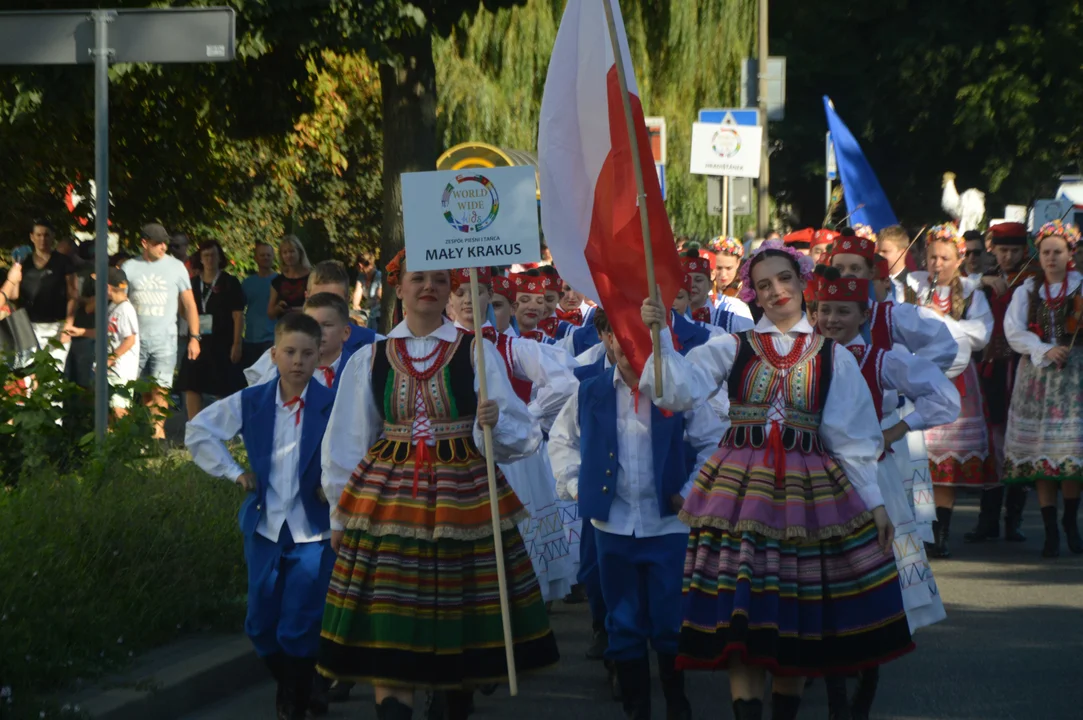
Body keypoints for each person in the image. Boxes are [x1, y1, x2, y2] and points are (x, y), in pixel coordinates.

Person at [638, 240, 912, 720]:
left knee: (793, 619)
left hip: (808, 498)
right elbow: (673, 390)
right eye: (763, 284)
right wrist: (659, 336)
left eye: (784, 279)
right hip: (739, 495)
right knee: (742, 624)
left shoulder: (833, 355)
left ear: (802, 282)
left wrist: (876, 503)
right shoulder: (732, 346)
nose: (776, 291)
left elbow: (852, 438)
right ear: (753, 294)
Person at [317, 251, 559, 720]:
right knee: (390, 620)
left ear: (452, 289)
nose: (428, 285)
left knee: (460, 617)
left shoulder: (476, 351)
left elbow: (522, 437)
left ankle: (455, 699)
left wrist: (495, 420)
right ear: (398, 288)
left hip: (462, 502)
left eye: (439, 279)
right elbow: (346, 441)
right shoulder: (370, 358)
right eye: (417, 278)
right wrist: (338, 515)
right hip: (388, 506)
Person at [549, 308, 724, 720]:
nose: (630, 346)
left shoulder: (676, 392)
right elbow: (561, 441)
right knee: (622, 621)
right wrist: (578, 485)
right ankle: (636, 708)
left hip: (667, 525)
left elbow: (714, 442)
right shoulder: (590, 392)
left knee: (669, 620)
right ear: (606, 337)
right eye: (621, 335)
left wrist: (689, 492)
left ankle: (676, 700)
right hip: (613, 525)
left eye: (642, 336)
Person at [814, 268, 956, 720]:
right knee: (824, 588)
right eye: (823, 310)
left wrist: (895, 428)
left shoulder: (881, 360)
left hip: (874, 483)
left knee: (875, 582)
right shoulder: (803, 357)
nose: (831, 319)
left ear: (863, 314)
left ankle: (865, 688)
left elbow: (944, 398)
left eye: (842, 311)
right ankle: (837, 694)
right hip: (817, 485)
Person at [186, 312, 336, 720]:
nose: (298, 361)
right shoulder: (252, 401)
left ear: (319, 357)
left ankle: (295, 698)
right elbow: (199, 431)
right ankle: (301, 684)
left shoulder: (333, 404)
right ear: (274, 354)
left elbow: (357, 451)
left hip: (313, 532)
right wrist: (235, 472)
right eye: (289, 352)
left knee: (299, 624)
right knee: (259, 625)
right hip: (265, 527)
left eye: (307, 353)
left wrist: (333, 485)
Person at [448, 267, 578, 605]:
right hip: (455, 456)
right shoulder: (440, 347)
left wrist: (524, 416)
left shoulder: (508, 346)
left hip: (510, 458)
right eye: (459, 292)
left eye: (476, 292)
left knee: (517, 531)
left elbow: (565, 383)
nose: (466, 300)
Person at [902, 225, 993, 558]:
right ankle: (920, 529)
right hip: (916, 378)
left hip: (955, 380)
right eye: (933, 257)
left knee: (945, 463)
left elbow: (981, 333)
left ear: (958, 260)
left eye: (945, 258)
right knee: (918, 457)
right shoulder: (911, 287)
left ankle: (940, 534)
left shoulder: (971, 292)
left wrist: (943, 320)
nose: (937, 264)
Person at [1002, 220, 1083, 558]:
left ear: (1070, 254)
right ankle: (1050, 530)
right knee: (1041, 454)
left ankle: (1070, 523)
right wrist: (1044, 349)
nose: (1050, 258)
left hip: (1074, 379)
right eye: (1046, 252)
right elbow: (1013, 331)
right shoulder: (1027, 289)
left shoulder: (1080, 288)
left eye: (1057, 252)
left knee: (1071, 454)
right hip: (1037, 377)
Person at [964, 222, 1033, 544]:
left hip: (1023, 368)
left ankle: (1014, 520)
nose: (1008, 256)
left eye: (1014, 250)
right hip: (990, 369)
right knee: (992, 443)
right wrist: (982, 281)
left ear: (1024, 251)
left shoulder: (1034, 281)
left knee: (1018, 442)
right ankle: (987, 519)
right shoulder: (985, 282)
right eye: (1003, 250)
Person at [122, 223, 201, 440]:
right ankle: (145, 431)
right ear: (144, 243)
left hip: (165, 339)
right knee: (142, 389)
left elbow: (190, 303)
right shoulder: (129, 268)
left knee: (161, 388)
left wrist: (195, 337)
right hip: (135, 341)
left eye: (165, 243)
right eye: (158, 243)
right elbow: (119, 303)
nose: (163, 247)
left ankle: (158, 434)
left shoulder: (177, 267)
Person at [245, 261, 379, 387]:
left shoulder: (375, 344)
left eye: (335, 299)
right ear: (306, 297)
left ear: (347, 300)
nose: (326, 307)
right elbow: (255, 395)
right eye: (318, 299)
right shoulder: (285, 349)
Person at [176, 241, 245, 420]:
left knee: (223, 387)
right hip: (197, 341)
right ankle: (194, 427)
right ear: (200, 258)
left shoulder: (230, 282)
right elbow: (184, 311)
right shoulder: (192, 283)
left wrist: (237, 344)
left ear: (219, 257)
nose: (209, 259)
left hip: (223, 342)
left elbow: (238, 316)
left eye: (213, 255)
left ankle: (226, 427)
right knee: (192, 384)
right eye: (205, 256)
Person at [1, 219, 78, 369]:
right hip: (28, 325)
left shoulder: (63, 262)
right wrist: (14, 275)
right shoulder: (24, 262)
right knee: (29, 373)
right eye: (39, 235)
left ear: (52, 237)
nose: (43, 239)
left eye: (47, 235)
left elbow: (73, 295)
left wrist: (68, 326)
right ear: (32, 237)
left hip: (56, 326)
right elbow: (15, 295)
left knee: (53, 375)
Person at [303, 293, 354, 391]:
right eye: (311, 325)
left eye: (327, 325)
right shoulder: (286, 370)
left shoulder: (359, 371)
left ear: (345, 333)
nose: (318, 332)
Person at [242, 241, 279, 369]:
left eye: (268, 255)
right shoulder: (247, 283)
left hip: (273, 339)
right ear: (255, 258)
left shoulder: (280, 281)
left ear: (273, 257)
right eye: (262, 255)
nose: (265, 258)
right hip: (251, 339)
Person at [269, 235, 312, 320]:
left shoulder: (311, 277)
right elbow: (270, 314)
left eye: (292, 251)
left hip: (307, 327)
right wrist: (278, 308)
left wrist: (292, 310)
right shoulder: (278, 280)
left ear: (299, 252)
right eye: (285, 252)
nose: (288, 255)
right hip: (285, 328)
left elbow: (317, 307)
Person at [877, 225, 912, 300]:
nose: (879, 255)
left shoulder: (911, 283)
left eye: (885, 251)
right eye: (878, 251)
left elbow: (909, 310)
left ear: (902, 253)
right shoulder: (873, 281)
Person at [350, 253, 382, 330]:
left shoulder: (380, 277)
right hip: (368, 312)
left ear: (360, 265)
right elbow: (357, 295)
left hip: (378, 313)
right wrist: (356, 307)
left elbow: (380, 299)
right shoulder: (361, 277)